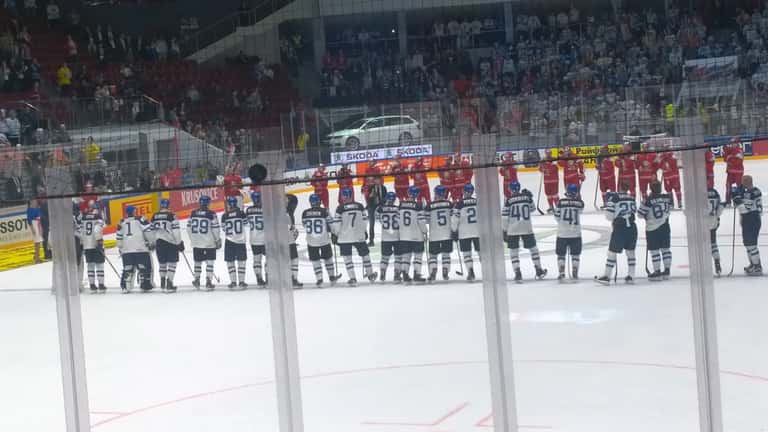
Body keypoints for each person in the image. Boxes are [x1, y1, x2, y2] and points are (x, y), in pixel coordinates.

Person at [330, 188, 377, 286]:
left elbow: (337, 223)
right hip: (358, 235)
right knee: (365, 255)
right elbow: (365, 220)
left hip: (344, 237)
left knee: (347, 258)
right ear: (351, 195)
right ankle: (370, 275)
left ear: (343, 197)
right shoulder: (360, 206)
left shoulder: (340, 208)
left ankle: (352, 278)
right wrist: (364, 231)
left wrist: (335, 234)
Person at [503, 181, 547, 282]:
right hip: (526, 227)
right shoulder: (526, 198)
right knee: (533, 249)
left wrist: (504, 230)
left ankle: (517, 273)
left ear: (511, 189)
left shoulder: (508, 200)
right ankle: (539, 269)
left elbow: (505, 217)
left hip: (513, 229)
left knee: (514, 251)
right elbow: (533, 209)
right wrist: (530, 198)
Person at [595, 182, 638, 285]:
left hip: (620, 228)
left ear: (619, 187)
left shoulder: (614, 198)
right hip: (632, 227)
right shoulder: (632, 198)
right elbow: (634, 211)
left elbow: (609, 216)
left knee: (612, 252)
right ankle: (631, 276)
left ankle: (607, 276)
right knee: (630, 252)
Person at [302, 193, 340, 287]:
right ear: (319, 201)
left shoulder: (305, 213)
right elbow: (331, 224)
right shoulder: (324, 211)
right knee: (328, 258)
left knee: (315, 260)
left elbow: (304, 225)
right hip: (324, 239)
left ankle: (319, 279)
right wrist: (335, 234)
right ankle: (331, 277)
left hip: (311, 240)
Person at [638, 181, 673, 281]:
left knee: (654, 250)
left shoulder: (648, 200)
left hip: (652, 228)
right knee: (665, 249)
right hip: (665, 226)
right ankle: (667, 271)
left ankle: (657, 271)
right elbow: (670, 208)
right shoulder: (667, 198)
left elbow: (640, 214)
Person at [116, 205, 154, 293]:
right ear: (134, 212)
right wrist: (152, 242)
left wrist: (120, 247)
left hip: (126, 249)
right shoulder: (141, 219)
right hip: (140, 248)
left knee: (127, 268)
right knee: (144, 267)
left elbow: (119, 236)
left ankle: (125, 286)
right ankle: (145, 284)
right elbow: (148, 231)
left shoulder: (121, 222)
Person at [187, 195, 221, 290]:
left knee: (197, 262)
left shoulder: (193, 213)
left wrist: (193, 239)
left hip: (197, 242)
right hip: (209, 242)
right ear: (208, 203)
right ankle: (208, 281)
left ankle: (197, 279)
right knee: (210, 261)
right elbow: (215, 229)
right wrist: (217, 240)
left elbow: (188, 228)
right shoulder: (211, 214)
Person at [732, 175, 763, 275]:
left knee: (751, 244)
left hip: (751, 220)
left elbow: (745, 210)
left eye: (743, 181)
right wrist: (739, 196)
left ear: (746, 182)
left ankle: (757, 266)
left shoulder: (750, 193)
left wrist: (736, 199)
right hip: (752, 219)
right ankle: (753, 264)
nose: (741, 183)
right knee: (748, 244)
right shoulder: (755, 190)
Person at [151, 198, 183, 293]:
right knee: (172, 264)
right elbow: (176, 231)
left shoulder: (154, 216)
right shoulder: (172, 216)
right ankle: (169, 283)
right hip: (170, 242)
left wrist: (153, 242)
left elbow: (151, 231)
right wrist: (179, 242)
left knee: (162, 264)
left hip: (159, 242)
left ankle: (162, 282)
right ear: (168, 205)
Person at [553, 184, 584, 281]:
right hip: (576, 233)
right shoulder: (580, 203)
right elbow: (580, 210)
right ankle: (575, 271)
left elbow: (556, 216)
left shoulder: (560, 202)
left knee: (561, 254)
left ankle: (561, 272)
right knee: (575, 254)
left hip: (562, 233)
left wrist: (562, 222)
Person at [398, 186, 428, 283]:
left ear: (408, 193)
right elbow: (421, 221)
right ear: (417, 194)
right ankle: (416, 274)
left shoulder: (401, 205)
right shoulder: (418, 206)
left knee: (406, 255)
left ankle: (405, 274)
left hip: (404, 236)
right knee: (418, 255)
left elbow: (397, 220)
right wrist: (425, 231)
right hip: (416, 235)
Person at [451, 183, 479, 281]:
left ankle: (470, 271)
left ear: (464, 191)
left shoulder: (459, 204)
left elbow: (455, 219)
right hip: (478, 231)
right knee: (482, 253)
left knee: (467, 253)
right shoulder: (478, 201)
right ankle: (487, 271)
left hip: (464, 233)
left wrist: (454, 231)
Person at [426, 185, 454, 282]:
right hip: (447, 234)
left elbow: (426, 219)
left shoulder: (429, 205)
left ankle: (433, 270)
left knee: (433, 255)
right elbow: (453, 216)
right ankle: (445, 270)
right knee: (446, 254)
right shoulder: (449, 204)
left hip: (434, 234)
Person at [221, 196, 249, 290]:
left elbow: (224, 228)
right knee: (241, 261)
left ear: (229, 204)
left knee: (230, 261)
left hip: (229, 241)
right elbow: (246, 223)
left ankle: (233, 282)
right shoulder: (241, 213)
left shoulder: (224, 216)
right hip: (240, 241)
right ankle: (241, 282)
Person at [81, 202, 106, 293]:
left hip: (87, 245)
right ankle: (101, 285)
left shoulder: (83, 217)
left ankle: (92, 285)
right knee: (99, 265)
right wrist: (99, 241)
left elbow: (81, 231)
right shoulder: (98, 217)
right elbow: (97, 230)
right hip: (95, 245)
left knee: (90, 265)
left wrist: (83, 243)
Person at [376, 192, 400, 282]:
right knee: (398, 257)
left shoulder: (380, 209)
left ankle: (383, 272)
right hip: (397, 236)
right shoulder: (398, 209)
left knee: (384, 257)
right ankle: (397, 274)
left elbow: (377, 217)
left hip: (385, 237)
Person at [246, 191, 266, 286]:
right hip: (265, 238)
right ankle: (268, 276)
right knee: (269, 258)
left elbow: (246, 221)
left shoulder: (248, 210)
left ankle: (259, 277)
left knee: (257, 259)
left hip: (253, 238)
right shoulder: (265, 209)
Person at [707, 187, 724, 276]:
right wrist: (716, 217)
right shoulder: (714, 192)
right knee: (713, 243)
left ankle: (704, 267)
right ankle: (717, 263)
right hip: (712, 221)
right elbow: (720, 207)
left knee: (701, 245)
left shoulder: (698, 192)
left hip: (702, 222)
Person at [365, 175, 387, 246]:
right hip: (372, 206)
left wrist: (382, 205)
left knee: (385, 223)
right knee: (371, 224)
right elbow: (368, 199)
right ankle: (371, 241)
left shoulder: (383, 188)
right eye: (376, 180)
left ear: (380, 180)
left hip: (381, 206)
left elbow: (385, 199)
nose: (377, 181)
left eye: (378, 179)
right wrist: (371, 196)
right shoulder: (371, 188)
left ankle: (386, 239)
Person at [724, 138, 744, 203]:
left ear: (737, 143)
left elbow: (738, 160)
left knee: (739, 186)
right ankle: (728, 201)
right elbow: (725, 159)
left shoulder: (739, 150)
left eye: (734, 143)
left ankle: (741, 199)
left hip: (738, 172)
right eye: (732, 143)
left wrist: (730, 156)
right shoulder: (729, 150)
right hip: (730, 172)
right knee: (728, 186)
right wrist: (728, 154)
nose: (732, 144)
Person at [27, 199, 44, 264]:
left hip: (38, 224)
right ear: (31, 202)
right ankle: (37, 258)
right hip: (34, 225)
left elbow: (40, 217)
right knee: (37, 242)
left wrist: (41, 227)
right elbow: (29, 221)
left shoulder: (37, 209)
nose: (35, 202)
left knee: (38, 242)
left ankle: (36, 256)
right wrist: (32, 229)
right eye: (34, 201)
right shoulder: (30, 210)